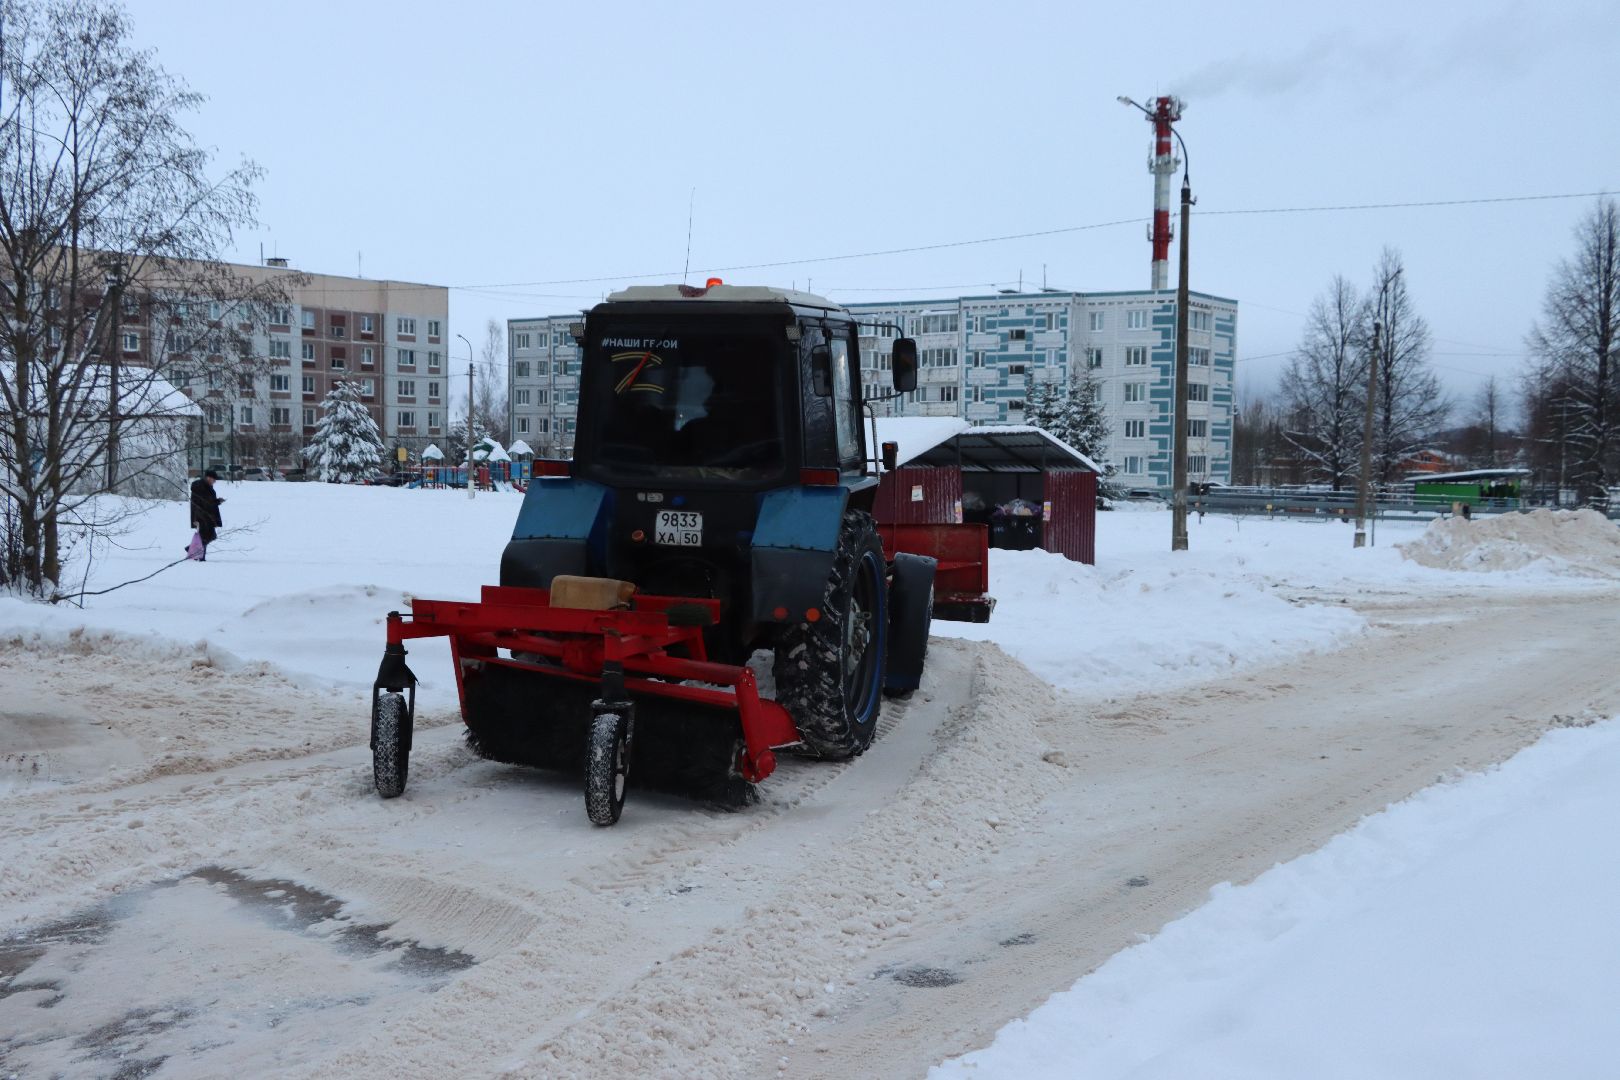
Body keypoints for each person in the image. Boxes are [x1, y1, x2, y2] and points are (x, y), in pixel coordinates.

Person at [189, 469, 225, 561]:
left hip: (205, 514)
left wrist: (216, 501)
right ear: (208, 478)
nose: (215, 481)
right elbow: (205, 502)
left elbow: (207, 500)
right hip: (202, 515)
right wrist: (217, 501)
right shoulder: (201, 487)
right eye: (214, 479)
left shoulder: (204, 486)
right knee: (206, 536)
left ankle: (194, 551)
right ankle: (199, 555)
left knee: (208, 536)